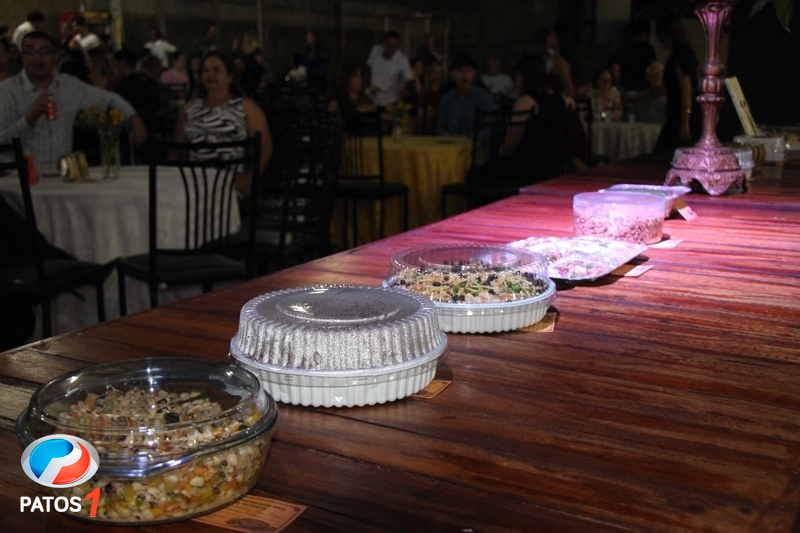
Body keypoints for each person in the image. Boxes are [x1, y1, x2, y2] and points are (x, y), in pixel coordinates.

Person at [0, 31, 147, 171]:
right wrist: (29, 119)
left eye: (44, 51)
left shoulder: (69, 86)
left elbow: (110, 99)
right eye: (30, 52)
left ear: (56, 56)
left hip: (62, 175)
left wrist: (134, 118)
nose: (38, 58)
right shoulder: (7, 90)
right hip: (20, 177)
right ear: (22, 57)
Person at [173, 51, 272, 197]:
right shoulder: (191, 108)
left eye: (216, 70)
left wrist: (249, 178)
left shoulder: (246, 107)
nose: (210, 75)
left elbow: (266, 147)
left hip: (230, 183)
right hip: (194, 183)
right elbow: (176, 148)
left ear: (230, 76)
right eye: (206, 71)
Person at [653, 16, 700, 152]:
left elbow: (686, 90)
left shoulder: (680, 55)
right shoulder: (683, 53)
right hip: (680, 113)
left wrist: (685, 122)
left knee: (666, 152)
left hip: (681, 114)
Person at [434, 52, 493, 140]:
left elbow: (489, 127)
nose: (464, 75)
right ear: (452, 74)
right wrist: (449, 136)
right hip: (451, 143)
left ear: (474, 74)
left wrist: (471, 138)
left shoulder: (484, 97)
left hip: (476, 144)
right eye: (459, 70)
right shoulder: (447, 99)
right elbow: (439, 127)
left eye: (468, 70)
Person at [366, 30, 413, 108]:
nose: (392, 49)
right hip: (372, 97)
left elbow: (408, 78)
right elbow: (368, 67)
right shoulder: (375, 50)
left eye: (395, 47)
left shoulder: (402, 60)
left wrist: (404, 88)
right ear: (384, 44)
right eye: (390, 46)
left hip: (390, 100)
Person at [610, 20, 656, 93]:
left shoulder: (623, 49)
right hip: (644, 86)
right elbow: (653, 67)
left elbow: (615, 67)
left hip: (626, 86)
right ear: (642, 34)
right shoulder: (648, 49)